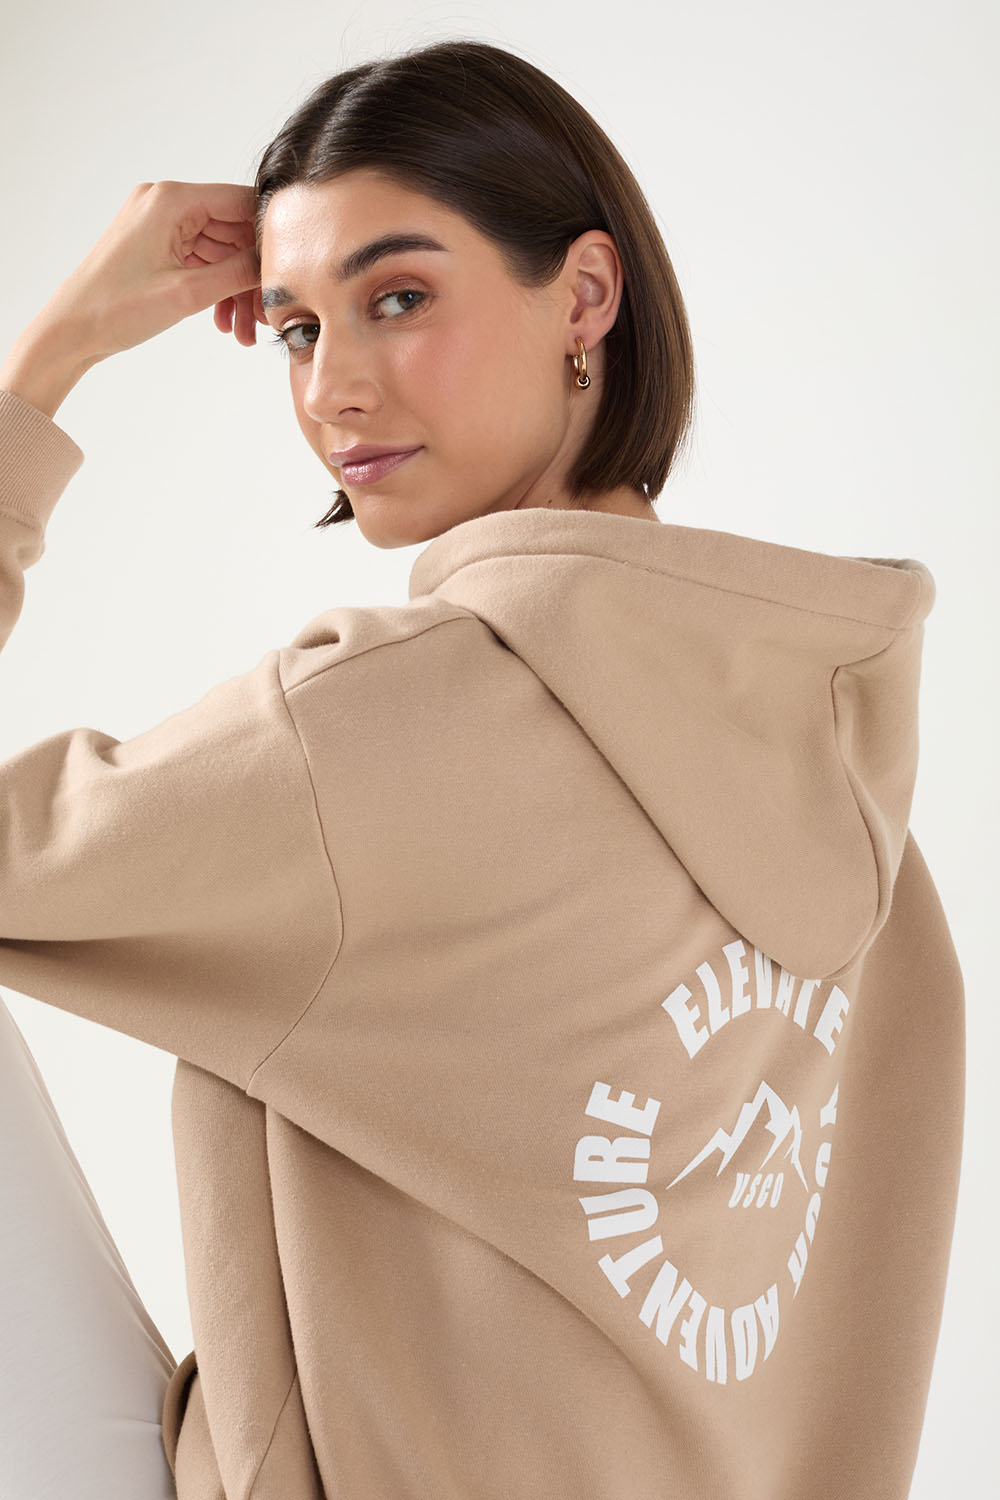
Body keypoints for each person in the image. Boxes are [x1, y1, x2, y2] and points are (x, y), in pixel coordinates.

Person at [0, 37, 964, 1500]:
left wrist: (52, 354)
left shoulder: (374, 732)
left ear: (585, 295)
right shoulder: (844, 776)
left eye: (397, 299)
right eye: (296, 328)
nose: (332, 388)